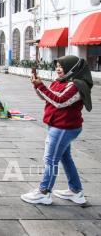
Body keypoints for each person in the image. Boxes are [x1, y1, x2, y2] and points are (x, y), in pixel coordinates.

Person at [21, 55, 93, 205]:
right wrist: (37, 85)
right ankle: (76, 191)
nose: (58, 69)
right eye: (57, 66)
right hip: (58, 125)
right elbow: (49, 97)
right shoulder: (61, 81)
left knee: (51, 159)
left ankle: (44, 192)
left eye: (62, 66)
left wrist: (41, 86)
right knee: (65, 158)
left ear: (73, 68)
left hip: (64, 127)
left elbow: (60, 101)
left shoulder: (77, 85)